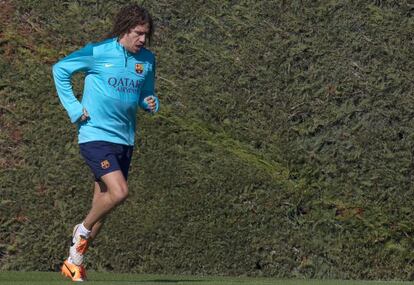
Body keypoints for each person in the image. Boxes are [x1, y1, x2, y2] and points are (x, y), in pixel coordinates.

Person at [52, 4, 159, 282]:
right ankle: (82, 230)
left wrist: (150, 102)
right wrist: (75, 109)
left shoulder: (147, 60)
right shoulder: (98, 52)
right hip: (95, 135)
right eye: (138, 33)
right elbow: (60, 70)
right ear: (124, 29)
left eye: (146, 34)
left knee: (104, 203)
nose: (142, 39)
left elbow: (145, 93)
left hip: (125, 139)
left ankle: (74, 261)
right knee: (120, 192)